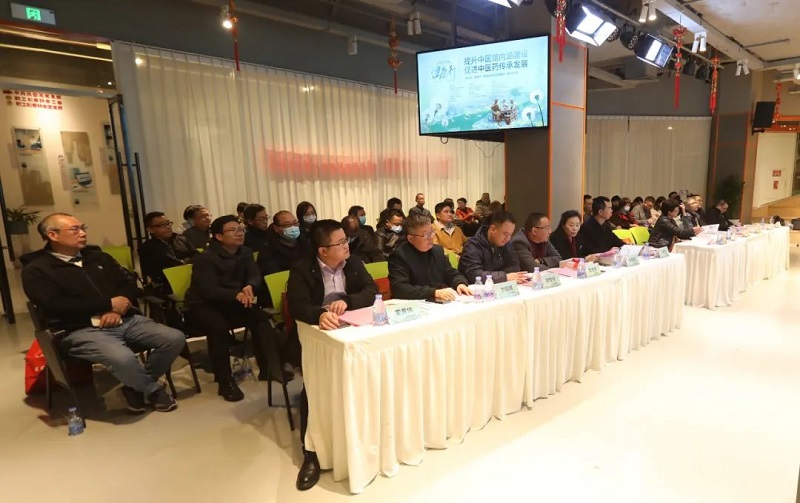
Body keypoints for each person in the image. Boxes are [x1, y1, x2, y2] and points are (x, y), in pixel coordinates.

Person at [21, 213, 184, 413]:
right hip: (81, 329)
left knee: (174, 338)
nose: (83, 233)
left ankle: (134, 387)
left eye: (83, 228)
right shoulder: (37, 270)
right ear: (52, 235)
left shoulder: (98, 257)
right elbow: (54, 306)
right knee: (123, 358)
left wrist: (118, 306)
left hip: (125, 319)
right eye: (75, 229)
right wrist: (107, 305)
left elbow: (129, 283)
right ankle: (152, 390)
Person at [286, 219, 380, 491]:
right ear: (323, 251)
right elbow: (297, 306)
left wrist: (347, 301)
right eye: (340, 243)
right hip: (315, 334)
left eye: (345, 240)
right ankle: (311, 453)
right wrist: (319, 313)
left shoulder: (354, 262)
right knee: (315, 387)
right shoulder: (302, 269)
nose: (346, 246)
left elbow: (371, 291)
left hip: (352, 329)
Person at [185, 216, 287, 402]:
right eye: (232, 230)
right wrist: (236, 294)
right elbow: (207, 289)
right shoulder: (205, 258)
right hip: (204, 304)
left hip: (233, 301)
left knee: (261, 318)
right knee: (218, 328)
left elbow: (255, 274)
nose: (239, 233)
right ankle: (225, 381)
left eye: (240, 229)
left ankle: (268, 368)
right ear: (218, 236)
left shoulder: (245, 252)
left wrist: (250, 286)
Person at [388, 214, 472, 300]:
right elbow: (399, 288)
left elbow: (452, 273)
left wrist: (459, 283)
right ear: (410, 239)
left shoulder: (437, 251)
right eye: (425, 235)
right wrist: (433, 292)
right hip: (413, 303)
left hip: (436, 302)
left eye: (432, 232)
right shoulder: (399, 256)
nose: (431, 237)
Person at [459, 210, 524, 284]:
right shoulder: (473, 246)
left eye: (510, 234)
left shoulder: (506, 244)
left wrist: (498, 277)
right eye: (505, 234)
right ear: (493, 229)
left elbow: (515, 267)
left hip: (500, 286)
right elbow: (474, 275)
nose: (508, 238)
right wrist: (504, 277)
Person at [139, 211, 189, 289]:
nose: (168, 227)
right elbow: (155, 272)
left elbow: (196, 255)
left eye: (168, 223)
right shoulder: (147, 248)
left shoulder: (180, 238)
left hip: (190, 278)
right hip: (167, 286)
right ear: (150, 229)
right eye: (162, 225)